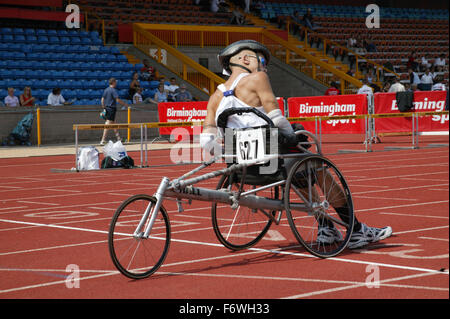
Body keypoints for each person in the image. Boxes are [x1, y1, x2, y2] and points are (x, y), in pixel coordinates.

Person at [201, 39, 392, 249]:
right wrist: (292, 135)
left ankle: (326, 226)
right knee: (316, 167)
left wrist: (230, 154)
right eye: (261, 59)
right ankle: (355, 230)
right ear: (245, 59)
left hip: (243, 169)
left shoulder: (215, 96)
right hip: (274, 158)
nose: (263, 65)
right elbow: (277, 118)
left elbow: (208, 141)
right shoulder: (257, 78)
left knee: (300, 172)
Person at [100, 78, 129, 145]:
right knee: (108, 123)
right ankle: (103, 140)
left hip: (107, 108)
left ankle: (119, 139)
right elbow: (117, 100)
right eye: (115, 82)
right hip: (111, 109)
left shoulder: (106, 90)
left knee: (114, 124)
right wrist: (125, 104)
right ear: (113, 82)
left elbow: (102, 99)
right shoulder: (113, 90)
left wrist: (104, 107)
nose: (116, 83)